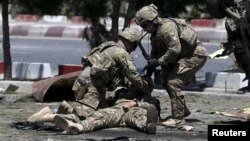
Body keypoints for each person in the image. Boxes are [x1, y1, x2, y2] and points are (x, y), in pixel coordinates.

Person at [135, 4, 208, 128]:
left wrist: (157, 62)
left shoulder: (167, 28)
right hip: (181, 56)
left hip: (195, 55)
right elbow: (155, 52)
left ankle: (178, 119)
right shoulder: (155, 33)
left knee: (173, 82)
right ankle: (182, 110)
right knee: (164, 79)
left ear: (153, 21)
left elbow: (174, 50)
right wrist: (149, 70)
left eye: (146, 25)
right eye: (143, 26)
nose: (145, 29)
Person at [71, 27, 152, 118]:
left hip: (82, 84)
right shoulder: (121, 53)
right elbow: (134, 76)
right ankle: (62, 115)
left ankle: (68, 111)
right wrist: (146, 88)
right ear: (128, 41)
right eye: (134, 46)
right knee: (86, 116)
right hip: (92, 88)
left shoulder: (108, 46)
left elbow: (121, 77)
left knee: (103, 113)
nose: (133, 50)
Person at [26, 87, 159, 135]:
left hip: (136, 109)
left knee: (99, 116)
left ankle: (51, 115)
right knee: (99, 116)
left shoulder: (147, 98)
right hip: (121, 110)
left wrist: (136, 103)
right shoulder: (125, 92)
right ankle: (58, 118)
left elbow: (154, 106)